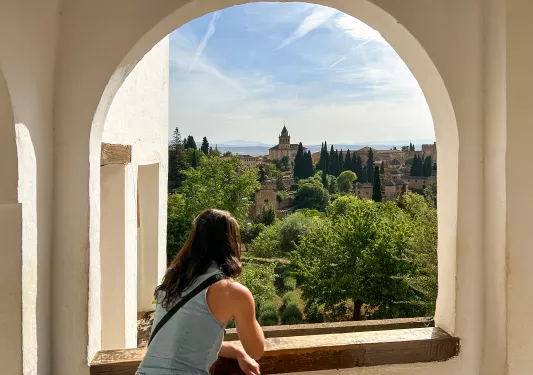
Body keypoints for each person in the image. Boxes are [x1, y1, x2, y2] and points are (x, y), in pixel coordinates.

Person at [136, 209, 265, 375]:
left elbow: (183, 344)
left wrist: (234, 350)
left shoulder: (173, 284)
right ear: (231, 243)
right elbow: (256, 351)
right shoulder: (233, 292)